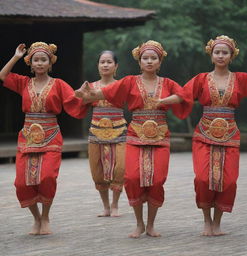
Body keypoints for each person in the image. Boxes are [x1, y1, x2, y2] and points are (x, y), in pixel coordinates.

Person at [75, 40, 188, 238]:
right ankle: (139, 223)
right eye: (146, 58)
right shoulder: (129, 81)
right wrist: (88, 94)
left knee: (157, 179)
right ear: (140, 61)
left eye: (154, 58)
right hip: (135, 135)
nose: (150, 61)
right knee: (132, 178)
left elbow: (183, 96)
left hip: (160, 136)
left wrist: (163, 101)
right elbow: (106, 92)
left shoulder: (167, 83)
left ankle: (151, 224)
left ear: (160, 62)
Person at [159, 35, 247, 236]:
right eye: (217, 52)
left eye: (225, 53)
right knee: (204, 179)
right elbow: (183, 95)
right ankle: (206, 220)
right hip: (204, 134)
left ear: (231, 56)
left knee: (228, 181)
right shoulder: (201, 79)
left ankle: (218, 222)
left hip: (229, 134)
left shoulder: (242, 79)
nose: (220, 56)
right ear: (211, 56)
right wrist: (162, 101)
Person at [0, 42, 88, 235]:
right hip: (28, 136)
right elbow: (3, 76)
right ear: (30, 64)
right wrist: (16, 56)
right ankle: (36, 218)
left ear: (50, 63)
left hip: (51, 135)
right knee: (22, 182)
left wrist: (85, 96)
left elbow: (74, 101)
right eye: (36, 60)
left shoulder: (58, 85)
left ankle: (46, 216)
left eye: (43, 60)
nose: (39, 63)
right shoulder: (24, 83)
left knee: (47, 176)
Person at [87, 50, 126, 217]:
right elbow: (77, 101)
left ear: (116, 66)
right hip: (96, 130)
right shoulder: (90, 87)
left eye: (109, 62)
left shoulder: (122, 85)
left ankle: (115, 204)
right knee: (97, 169)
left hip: (119, 129)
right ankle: (106, 206)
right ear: (97, 65)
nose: (105, 65)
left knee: (120, 168)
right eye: (102, 62)